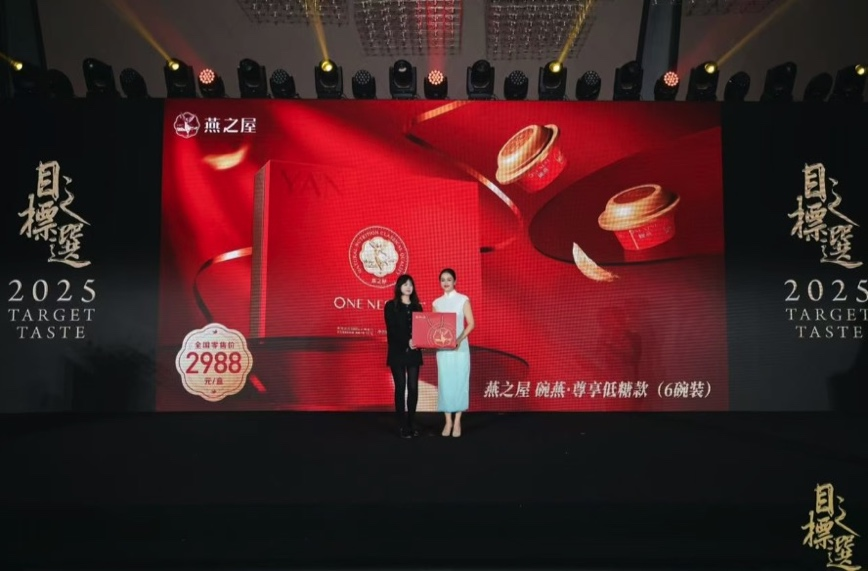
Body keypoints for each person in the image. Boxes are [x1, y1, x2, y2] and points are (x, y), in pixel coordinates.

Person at [432, 268, 475, 437]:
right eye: (443, 279)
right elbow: (434, 328)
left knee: (460, 382)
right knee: (445, 383)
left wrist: (459, 339)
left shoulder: (463, 299)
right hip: (443, 350)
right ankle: (447, 421)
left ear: (455, 281)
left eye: (449, 279)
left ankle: (457, 421)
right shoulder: (436, 303)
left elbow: (471, 323)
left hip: (460, 348)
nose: (446, 282)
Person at [384, 274, 423, 438]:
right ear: (399, 287)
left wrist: (420, 341)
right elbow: (391, 330)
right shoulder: (390, 306)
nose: (408, 287)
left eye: (411, 284)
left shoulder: (417, 307)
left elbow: (422, 330)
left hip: (414, 352)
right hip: (397, 352)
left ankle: (411, 422)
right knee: (400, 387)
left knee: (413, 387)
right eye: (405, 284)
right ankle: (401, 425)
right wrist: (407, 341)